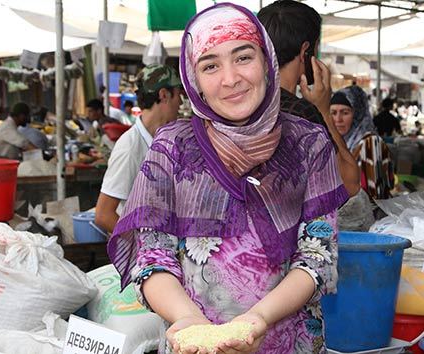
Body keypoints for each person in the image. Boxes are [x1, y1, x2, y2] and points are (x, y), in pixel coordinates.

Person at [107, 4, 349, 354]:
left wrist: (258, 319)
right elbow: (151, 255)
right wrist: (189, 319)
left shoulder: (308, 143)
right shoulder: (172, 148)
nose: (230, 78)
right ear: (194, 81)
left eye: (243, 57)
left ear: (266, 61)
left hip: (288, 343)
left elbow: (317, 256)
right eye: (210, 65)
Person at [258, 0, 360, 197]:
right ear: (306, 51)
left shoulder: (240, 104)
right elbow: (350, 185)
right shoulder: (301, 113)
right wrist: (323, 110)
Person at [94, 64, 183, 234]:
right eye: (178, 95)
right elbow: (103, 215)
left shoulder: (164, 139)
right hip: (147, 255)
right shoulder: (130, 148)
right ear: (164, 95)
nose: (180, 102)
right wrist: (147, 248)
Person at [331, 86, 394, 199]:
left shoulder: (371, 144)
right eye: (333, 112)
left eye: (345, 113)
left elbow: (376, 196)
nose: (338, 119)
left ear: (358, 114)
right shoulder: (340, 142)